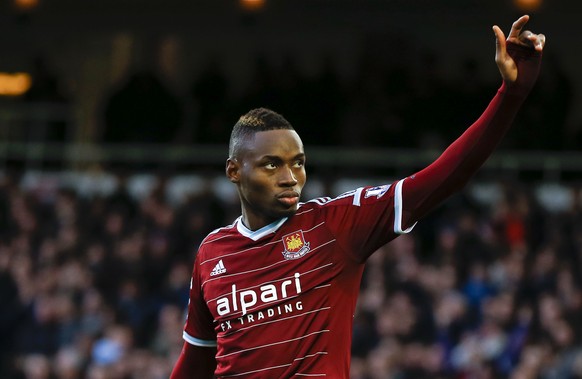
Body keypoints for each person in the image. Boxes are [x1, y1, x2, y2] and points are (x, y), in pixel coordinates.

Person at [170, 15, 546, 378]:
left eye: (298, 163)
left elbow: (445, 177)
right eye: (272, 165)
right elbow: (195, 363)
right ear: (235, 171)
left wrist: (511, 95)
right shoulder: (212, 253)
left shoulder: (335, 224)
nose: (291, 178)